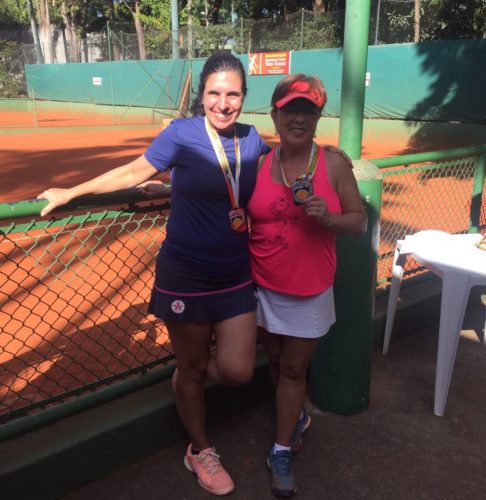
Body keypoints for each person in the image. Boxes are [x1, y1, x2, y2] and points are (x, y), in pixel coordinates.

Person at [37, 52, 270, 497]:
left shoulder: (252, 138)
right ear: (202, 94)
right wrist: (72, 191)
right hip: (186, 273)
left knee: (238, 370)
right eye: (215, 93)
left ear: (244, 96)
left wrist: (324, 161)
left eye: (233, 94)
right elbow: (132, 171)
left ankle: (186, 379)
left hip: (235, 273)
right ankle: (199, 448)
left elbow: (256, 180)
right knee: (193, 366)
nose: (223, 103)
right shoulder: (181, 133)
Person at [247, 74, 367, 498]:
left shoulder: (333, 164)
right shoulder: (259, 163)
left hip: (309, 287)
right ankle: (295, 416)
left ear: (317, 118)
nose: (298, 118)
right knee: (276, 359)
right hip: (261, 284)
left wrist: (329, 219)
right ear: (274, 115)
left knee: (295, 369)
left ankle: (280, 451)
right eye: (290, 110)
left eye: (308, 111)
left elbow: (359, 221)